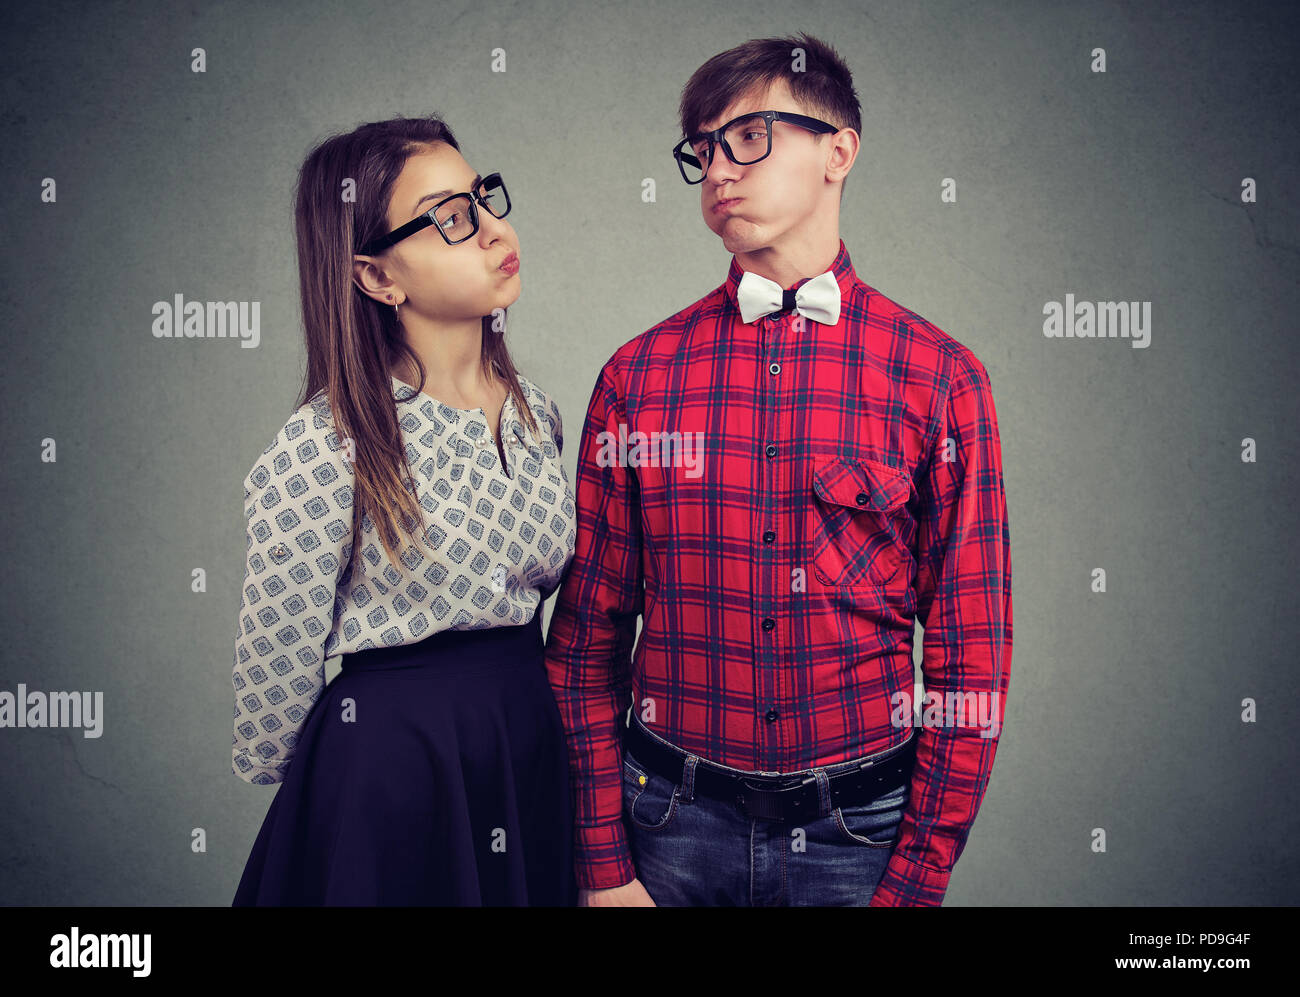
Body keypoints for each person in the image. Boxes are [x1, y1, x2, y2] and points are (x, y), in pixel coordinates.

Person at [543, 32, 1013, 906]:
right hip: (665, 830)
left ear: (840, 150)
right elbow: (586, 643)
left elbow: (970, 657)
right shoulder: (636, 376)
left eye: (751, 136)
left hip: (858, 836)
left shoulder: (941, 379)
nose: (720, 167)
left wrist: (915, 877)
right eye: (704, 147)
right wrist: (602, 866)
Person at [230, 114, 577, 906]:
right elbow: (267, 704)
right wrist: (353, 793)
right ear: (378, 277)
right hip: (394, 778)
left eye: (483, 199)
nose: (493, 229)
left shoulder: (536, 415)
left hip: (524, 755)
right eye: (453, 218)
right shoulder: (324, 444)